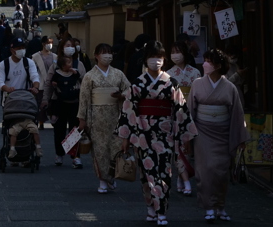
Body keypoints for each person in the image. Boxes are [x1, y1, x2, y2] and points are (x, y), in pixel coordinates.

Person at [118, 42, 198, 226]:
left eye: (160, 57)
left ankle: (161, 210)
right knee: (146, 173)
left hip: (165, 133)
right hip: (143, 132)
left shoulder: (171, 82)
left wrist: (185, 137)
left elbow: (181, 110)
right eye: (153, 57)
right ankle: (150, 207)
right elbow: (128, 110)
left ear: (164, 60)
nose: (157, 61)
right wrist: (125, 137)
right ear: (146, 60)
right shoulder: (138, 83)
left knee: (164, 171)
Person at [190, 48, 249, 223]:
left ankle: (220, 206)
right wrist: (187, 134)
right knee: (206, 170)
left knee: (221, 172)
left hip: (223, 133)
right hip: (203, 133)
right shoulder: (197, 84)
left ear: (218, 65)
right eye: (205, 60)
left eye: (209, 61)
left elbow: (237, 114)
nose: (205, 64)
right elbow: (191, 111)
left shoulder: (229, 88)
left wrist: (240, 137)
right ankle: (209, 207)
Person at [77, 43, 130, 188]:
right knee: (99, 150)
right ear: (96, 56)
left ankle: (112, 176)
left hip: (115, 115)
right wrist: (82, 118)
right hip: (97, 117)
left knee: (115, 148)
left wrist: (121, 96)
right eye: (104, 53)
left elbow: (129, 90)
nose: (107, 56)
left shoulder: (118, 74)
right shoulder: (89, 76)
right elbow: (84, 99)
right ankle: (102, 180)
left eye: (109, 52)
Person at [0, 37, 42, 158]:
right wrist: (6, 88)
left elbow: (35, 77)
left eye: (23, 48)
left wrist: (35, 87)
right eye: (18, 48)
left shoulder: (28, 62)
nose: (22, 50)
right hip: (10, 100)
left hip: (26, 99)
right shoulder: (4, 64)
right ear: (12, 50)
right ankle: (12, 148)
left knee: (30, 124)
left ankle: (27, 151)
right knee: (10, 125)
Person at [167, 39, 202, 196]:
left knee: (190, 148)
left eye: (178, 51)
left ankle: (183, 178)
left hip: (192, 111)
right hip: (175, 113)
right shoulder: (168, 74)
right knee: (178, 147)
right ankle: (185, 179)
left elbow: (198, 94)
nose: (175, 55)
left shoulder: (195, 73)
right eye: (172, 52)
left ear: (184, 53)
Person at [43, 54, 83, 168]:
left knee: (74, 130)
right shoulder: (56, 72)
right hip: (59, 104)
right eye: (68, 63)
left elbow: (83, 80)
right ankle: (59, 153)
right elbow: (49, 83)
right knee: (59, 130)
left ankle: (75, 155)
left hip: (74, 103)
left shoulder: (76, 69)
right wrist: (46, 99)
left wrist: (76, 74)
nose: (70, 65)